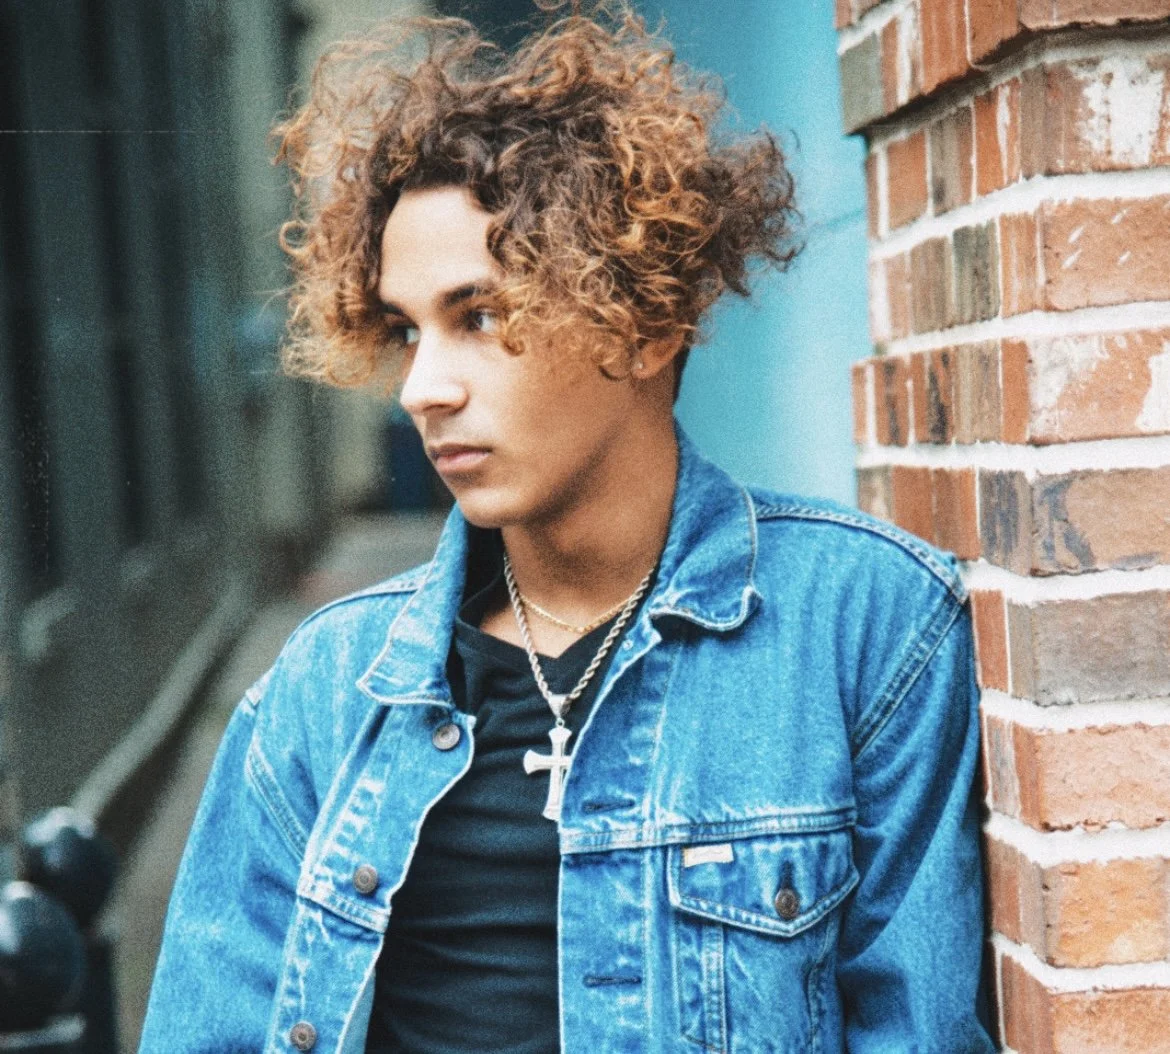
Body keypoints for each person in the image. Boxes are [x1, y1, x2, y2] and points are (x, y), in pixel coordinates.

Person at [140, 6, 995, 1052]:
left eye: (481, 317)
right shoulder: (324, 689)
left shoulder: (865, 629)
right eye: (407, 329)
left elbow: (919, 1028)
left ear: (646, 322)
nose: (422, 386)